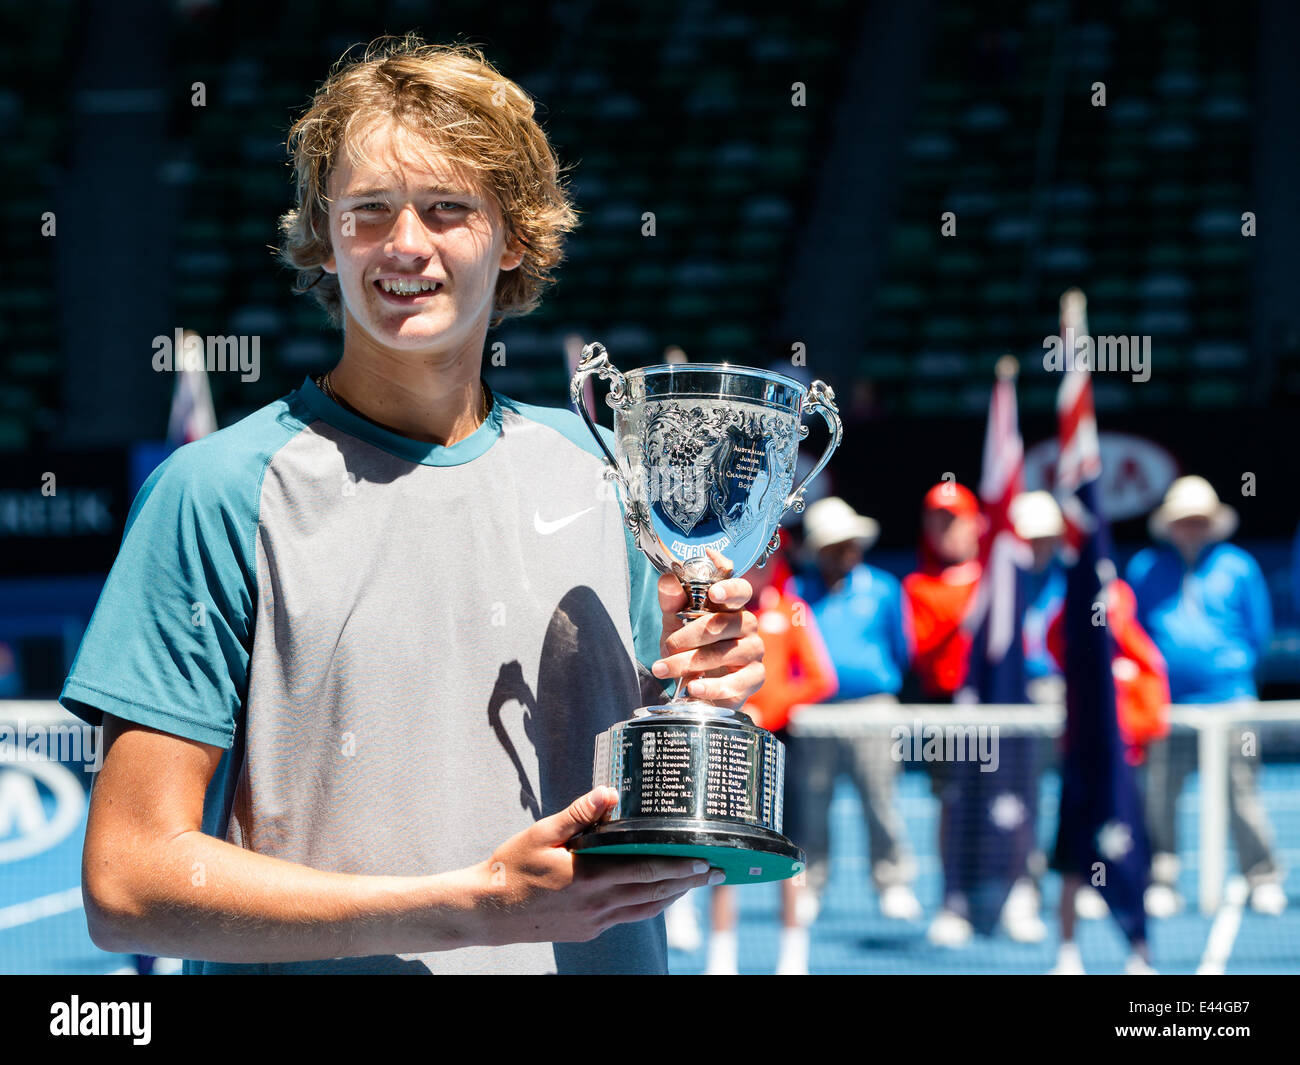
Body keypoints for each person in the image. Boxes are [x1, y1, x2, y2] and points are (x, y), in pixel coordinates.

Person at [58, 37, 765, 975]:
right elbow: (129, 882)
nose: (404, 245)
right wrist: (470, 910)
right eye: (367, 212)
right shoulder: (216, 491)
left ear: (512, 234)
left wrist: (701, 683)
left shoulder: (609, 475)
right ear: (324, 231)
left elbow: (632, 804)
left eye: (446, 209)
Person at [1126, 475, 1285, 918]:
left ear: (1212, 523)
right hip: (1166, 708)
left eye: (1199, 520)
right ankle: (1161, 876)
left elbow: (1259, 634)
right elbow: (1131, 631)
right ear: (1170, 524)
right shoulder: (1144, 568)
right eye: (1184, 520)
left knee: (1241, 792)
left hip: (1230, 702)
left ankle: (1262, 876)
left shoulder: (1239, 567)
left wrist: (1228, 673)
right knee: (1158, 793)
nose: (1191, 528)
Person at [704, 536, 838, 975]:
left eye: (767, 559)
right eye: (752, 560)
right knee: (723, 851)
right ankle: (721, 958)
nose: (759, 569)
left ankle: (793, 957)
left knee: (791, 853)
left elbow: (821, 678)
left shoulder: (791, 611)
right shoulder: (720, 617)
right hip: (732, 745)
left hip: (782, 748)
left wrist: (771, 709)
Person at [793, 497, 922, 924]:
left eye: (850, 543)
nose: (845, 551)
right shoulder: (797, 594)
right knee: (813, 804)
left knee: (880, 799)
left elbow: (903, 652)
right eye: (834, 545)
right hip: (813, 714)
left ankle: (892, 882)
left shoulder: (885, 589)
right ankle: (810, 884)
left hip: (873, 710)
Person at [901, 481, 982, 946]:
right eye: (936, 520)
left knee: (1009, 803)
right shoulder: (917, 587)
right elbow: (922, 651)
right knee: (950, 805)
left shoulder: (1001, 577)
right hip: (944, 711)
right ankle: (951, 901)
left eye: (953, 519)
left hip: (998, 708)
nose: (944, 529)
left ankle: (1015, 893)